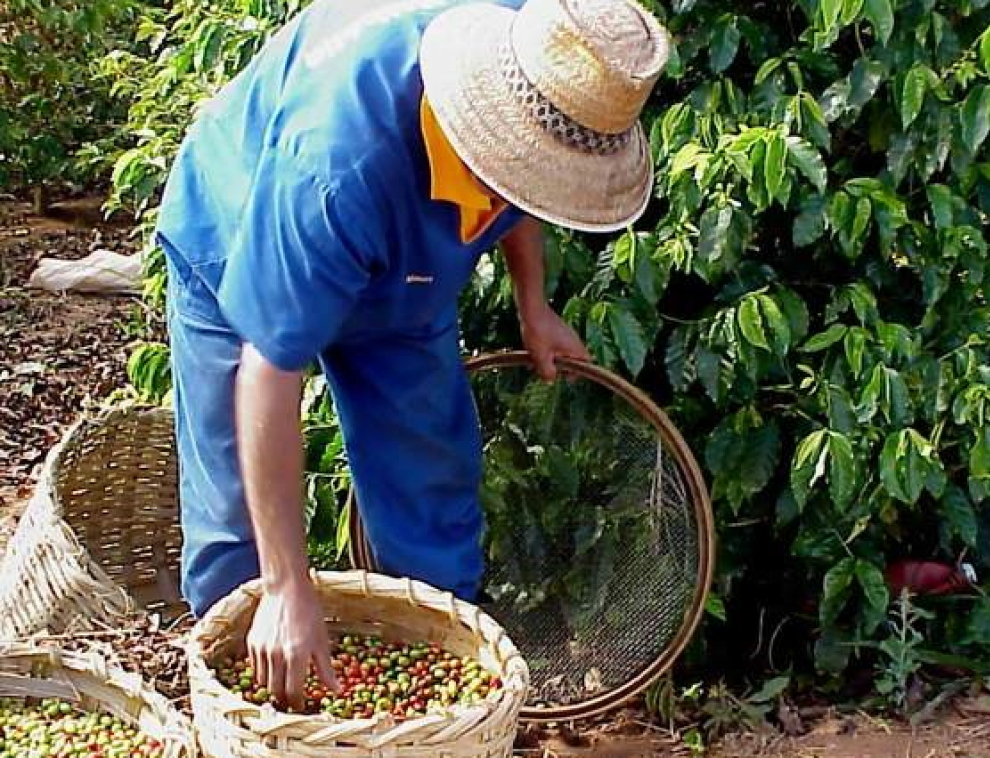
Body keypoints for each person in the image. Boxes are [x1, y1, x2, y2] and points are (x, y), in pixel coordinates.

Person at [154, 0, 669, 708]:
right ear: (478, 124)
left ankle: (432, 715)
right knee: (235, 540)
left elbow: (529, 188)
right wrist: (284, 587)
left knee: (429, 497)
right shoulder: (334, 168)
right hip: (238, 233)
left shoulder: (550, 54)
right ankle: (249, 716)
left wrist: (534, 302)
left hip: (406, 276)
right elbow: (267, 371)